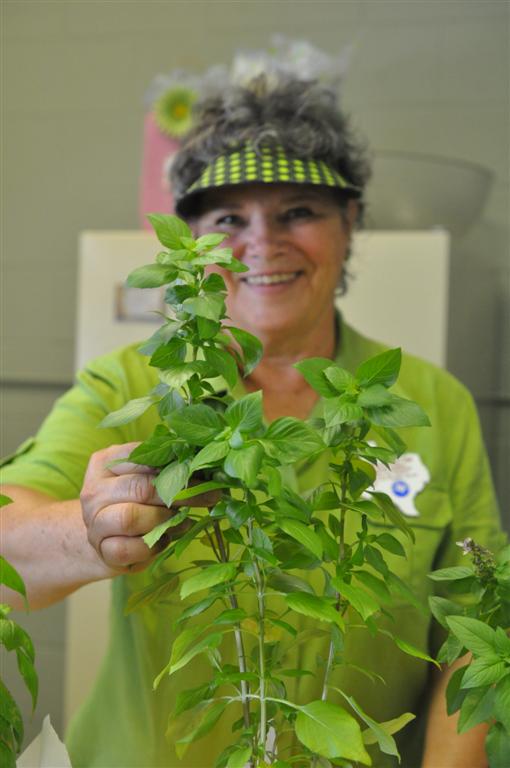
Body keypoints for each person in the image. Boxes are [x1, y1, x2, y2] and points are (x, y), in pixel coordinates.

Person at [1, 73, 504, 768]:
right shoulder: (137, 382)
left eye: (298, 211)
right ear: (193, 242)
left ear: (350, 223)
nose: (262, 243)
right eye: (229, 219)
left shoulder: (429, 401)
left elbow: (476, 630)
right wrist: (90, 533)